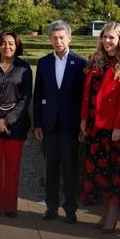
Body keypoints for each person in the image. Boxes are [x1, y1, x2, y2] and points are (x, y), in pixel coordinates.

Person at [79, 22, 120, 233]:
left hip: (113, 130)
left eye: (112, 38)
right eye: (105, 37)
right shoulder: (96, 61)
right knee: (99, 174)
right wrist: (84, 120)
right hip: (95, 127)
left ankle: (112, 217)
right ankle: (104, 214)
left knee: (113, 175)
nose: (107, 41)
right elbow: (88, 94)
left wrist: (119, 127)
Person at [33, 20, 86, 223]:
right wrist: (37, 123)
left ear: (69, 38)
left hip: (70, 126)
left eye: (61, 37)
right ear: (50, 39)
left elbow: (84, 98)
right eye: (54, 38)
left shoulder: (80, 63)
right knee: (50, 168)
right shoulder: (44, 62)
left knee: (71, 169)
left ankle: (71, 208)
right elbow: (38, 95)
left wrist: (83, 123)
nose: (58, 41)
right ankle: (51, 207)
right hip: (49, 125)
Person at [0, 31, 32, 218]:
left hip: (16, 124)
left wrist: (8, 120)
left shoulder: (24, 68)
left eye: (11, 43)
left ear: (17, 45)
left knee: (12, 168)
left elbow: (25, 98)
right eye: (3, 43)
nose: (7, 46)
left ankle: (11, 207)